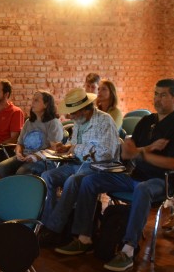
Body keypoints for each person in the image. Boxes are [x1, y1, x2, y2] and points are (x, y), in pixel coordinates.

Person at [55, 79, 174, 272]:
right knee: (88, 181)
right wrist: (144, 151)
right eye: (155, 94)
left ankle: (128, 249)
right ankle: (84, 237)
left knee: (143, 189)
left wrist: (141, 152)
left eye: (163, 95)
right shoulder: (147, 121)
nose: (157, 99)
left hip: (163, 180)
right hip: (134, 175)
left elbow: (172, 163)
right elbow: (126, 154)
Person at [39, 87, 119, 239]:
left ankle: (54, 228)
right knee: (47, 176)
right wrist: (66, 147)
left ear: (84, 109)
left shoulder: (104, 120)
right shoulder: (79, 121)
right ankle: (47, 222)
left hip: (98, 166)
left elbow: (106, 153)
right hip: (77, 163)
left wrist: (75, 148)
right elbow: (73, 144)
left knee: (73, 181)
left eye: (73, 112)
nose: (71, 116)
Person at [0, 90, 64, 178]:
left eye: (36, 100)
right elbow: (20, 143)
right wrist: (18, 153)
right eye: (33, 100)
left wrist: (35, 156)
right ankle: (12, 190)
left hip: (44, 160)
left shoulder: (53, 123)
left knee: (22, 172)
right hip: (25, 156)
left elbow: (54, 147)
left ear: (46, 105)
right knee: (2, 168)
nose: (32, 103)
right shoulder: (29, 122)